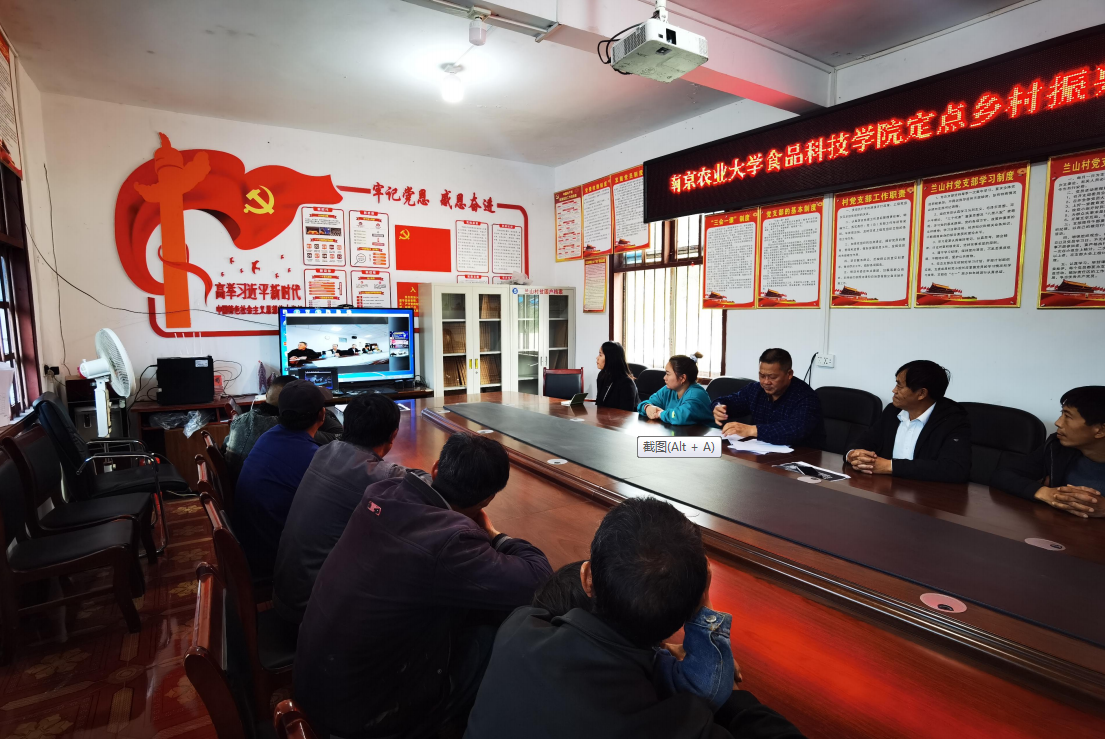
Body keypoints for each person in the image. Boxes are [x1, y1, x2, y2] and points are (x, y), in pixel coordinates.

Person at [464, 498, 805, 739]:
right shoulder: (682, 722)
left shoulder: (516, 630)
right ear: (686, 614)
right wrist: (726, 684)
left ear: (587, 579)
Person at [294, 434, 553, 739]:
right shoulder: (450, 540)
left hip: (315, 686)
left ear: (435, 468)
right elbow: (538, 578)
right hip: (364, 716)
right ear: (488, 499)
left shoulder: (381, 492)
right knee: (504, 634)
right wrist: (495, 534)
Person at [273, 394, 427, 624]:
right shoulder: (378, 475)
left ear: (346, 426)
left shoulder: (324, 452)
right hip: (314, 617)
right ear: (394, 434)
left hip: (286, 597)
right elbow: (428, 486)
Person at [531, 560, 740, 712]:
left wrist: (667, 649)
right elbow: (706, 688)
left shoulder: (547, 651)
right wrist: (702, 607)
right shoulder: (638, 671)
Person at [232, 380, 326, 578]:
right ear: (322, 415)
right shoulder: (312, 458)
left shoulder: (267, 436)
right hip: (275, 558)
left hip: (251, 543)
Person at [846, 360, 971, 483]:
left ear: (921, 393)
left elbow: (955, 469)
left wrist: (890, 466)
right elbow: (864, 441)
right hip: (886, 488)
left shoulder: (953, 420)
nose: (894, 390)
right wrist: (853, 455)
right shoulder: (892, 411)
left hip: (927, 493)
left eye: (900, 386)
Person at [993, 386, 1105, 519]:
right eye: (1062, 413)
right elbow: (1002, 474)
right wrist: (1046, 493)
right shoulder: (1057, 447)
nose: (1058, 423)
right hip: (1061, 527)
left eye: (1068, 416)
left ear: (1100, 431)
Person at [711, 348, 824, 447]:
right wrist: (719, 407)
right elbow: (730, 401)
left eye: (772, 377)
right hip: (760, 453)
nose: (766, 382)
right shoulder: (756, 389)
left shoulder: (806, 397)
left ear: (789, 374)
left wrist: (752, 430)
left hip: (801, 457)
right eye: (762, 376)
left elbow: (794, 429)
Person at [638, 353, 714, 426]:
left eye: (668, 374)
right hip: (679, 433)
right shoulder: (668, 390)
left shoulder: (697, 394)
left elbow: (679, 416)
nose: (664, 378)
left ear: (682, 378)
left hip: (704, 434)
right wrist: (647, 407)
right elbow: (643, 404)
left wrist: (660, 414)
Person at [595, 341, 640, 412]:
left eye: (600, 355)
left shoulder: (626, 383)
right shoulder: (602, 375)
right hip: (604, 417)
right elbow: (599, 403)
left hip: (621, 418)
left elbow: (626, 413)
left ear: (610, 358)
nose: (597, 358)